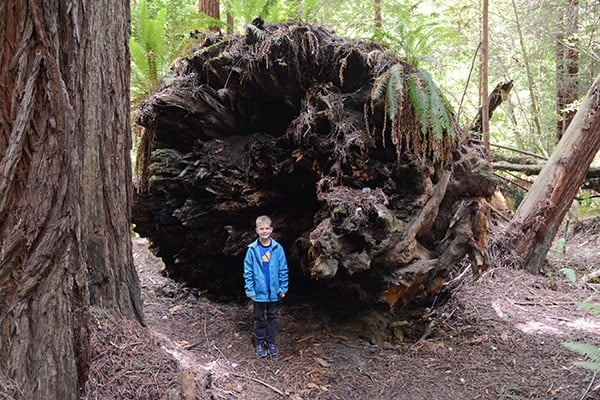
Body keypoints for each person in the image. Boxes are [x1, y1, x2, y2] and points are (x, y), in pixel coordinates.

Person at [243, 215, 289, 357]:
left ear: (271, 230)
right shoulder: (252, 249)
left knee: (272, 317)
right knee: (259, 318)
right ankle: (259, 342)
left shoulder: (277, 248)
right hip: (259, 292)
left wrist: (283, 288)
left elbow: (283, 269)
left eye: (267, 228)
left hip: (274, 292)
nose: (264, 231)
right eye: (261, 229)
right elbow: (248, 271)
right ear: (257, 230)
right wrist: (250, 289)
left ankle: (271, 341)